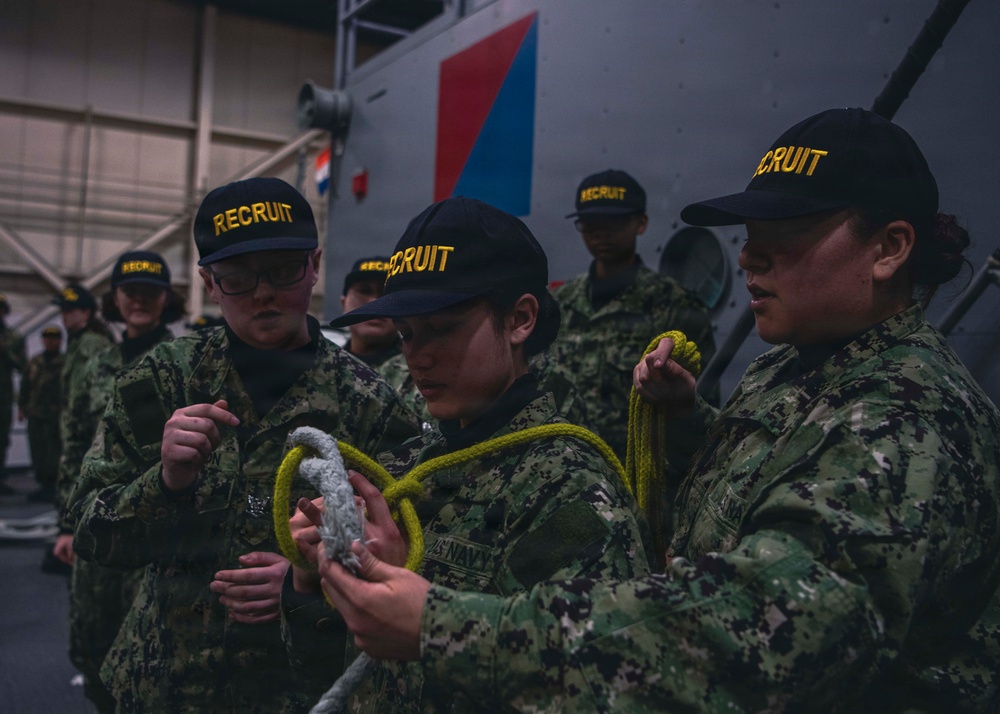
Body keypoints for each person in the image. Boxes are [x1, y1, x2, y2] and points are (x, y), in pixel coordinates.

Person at [315, 109, 1000, 711]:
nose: (749, 256)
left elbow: (761, 638)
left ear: (889, 248)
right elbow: (761, 500)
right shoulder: (796, 368)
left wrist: (443, 627)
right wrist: (688, 425)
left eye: (787, 233)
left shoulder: (909, 417)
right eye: (750, 232)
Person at [285, 196, 652, 712]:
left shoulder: (570, 491)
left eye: (443, 328)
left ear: (520, 319)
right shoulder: (400, 470)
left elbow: (590, 690)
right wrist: (309, 582)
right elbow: (327, 675)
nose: (417, 356)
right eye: (406, 334)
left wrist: (410, 596)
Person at [70, 177, 421, 713]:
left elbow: (406, 559)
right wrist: (165, 482)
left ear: (314, 266)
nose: (263, 293)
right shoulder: (162, 381)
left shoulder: (372, 405)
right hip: (165, 682)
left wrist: (309, 579)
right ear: (209, 283)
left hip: (300, 687)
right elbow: (92, 538)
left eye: (283, 270)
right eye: (237, 277)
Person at [69, 250, 184, 711]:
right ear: (114, 299)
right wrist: (64, 522)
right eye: (130, 291)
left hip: (153, 521)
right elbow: (74, 438)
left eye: (150, 292)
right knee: (90, 636)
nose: (139, 300)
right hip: (97, 515)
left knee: (146, 652)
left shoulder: (185, 362)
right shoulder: (98, 362)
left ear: (165, 299)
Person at [540, 168, 717, 462]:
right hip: (564, 470)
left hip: (639, 476)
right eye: (590, 224)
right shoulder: (559, 304)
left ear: (641, 223)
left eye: (613, 222)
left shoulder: (676, 307)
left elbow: (700, 411)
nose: (601, 233)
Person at [46, 283, 119, 574]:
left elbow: (95, 396)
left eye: (71, 310)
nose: (65, 316)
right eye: (63, 310)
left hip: (86, 434)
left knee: (82, 487)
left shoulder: (92, 343)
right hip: (75, 431)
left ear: (86, 313)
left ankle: (77, 547)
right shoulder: (78, 342)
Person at [17, 325, 64, 503]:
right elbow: (25, 386)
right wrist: (22, 407)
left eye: (54, 338)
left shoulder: (65, 362)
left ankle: (54, 486)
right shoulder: (34, 362)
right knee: (38, 450)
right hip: (35, 414)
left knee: (54, 452)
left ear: (60, 341)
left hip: (55, 415)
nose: (50, 341)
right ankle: (43, 485)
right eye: (47, 338)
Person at [338, 256, 401, 369]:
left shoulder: (422, 368)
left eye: (386, 292)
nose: (374, 302)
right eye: (364, 291)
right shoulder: (320, 366)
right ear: (344, 302)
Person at [0, 292, 27, 495]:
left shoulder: (14, 338)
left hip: (3, 397)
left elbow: (23, 366)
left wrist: (5, 351)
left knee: (2, 438)